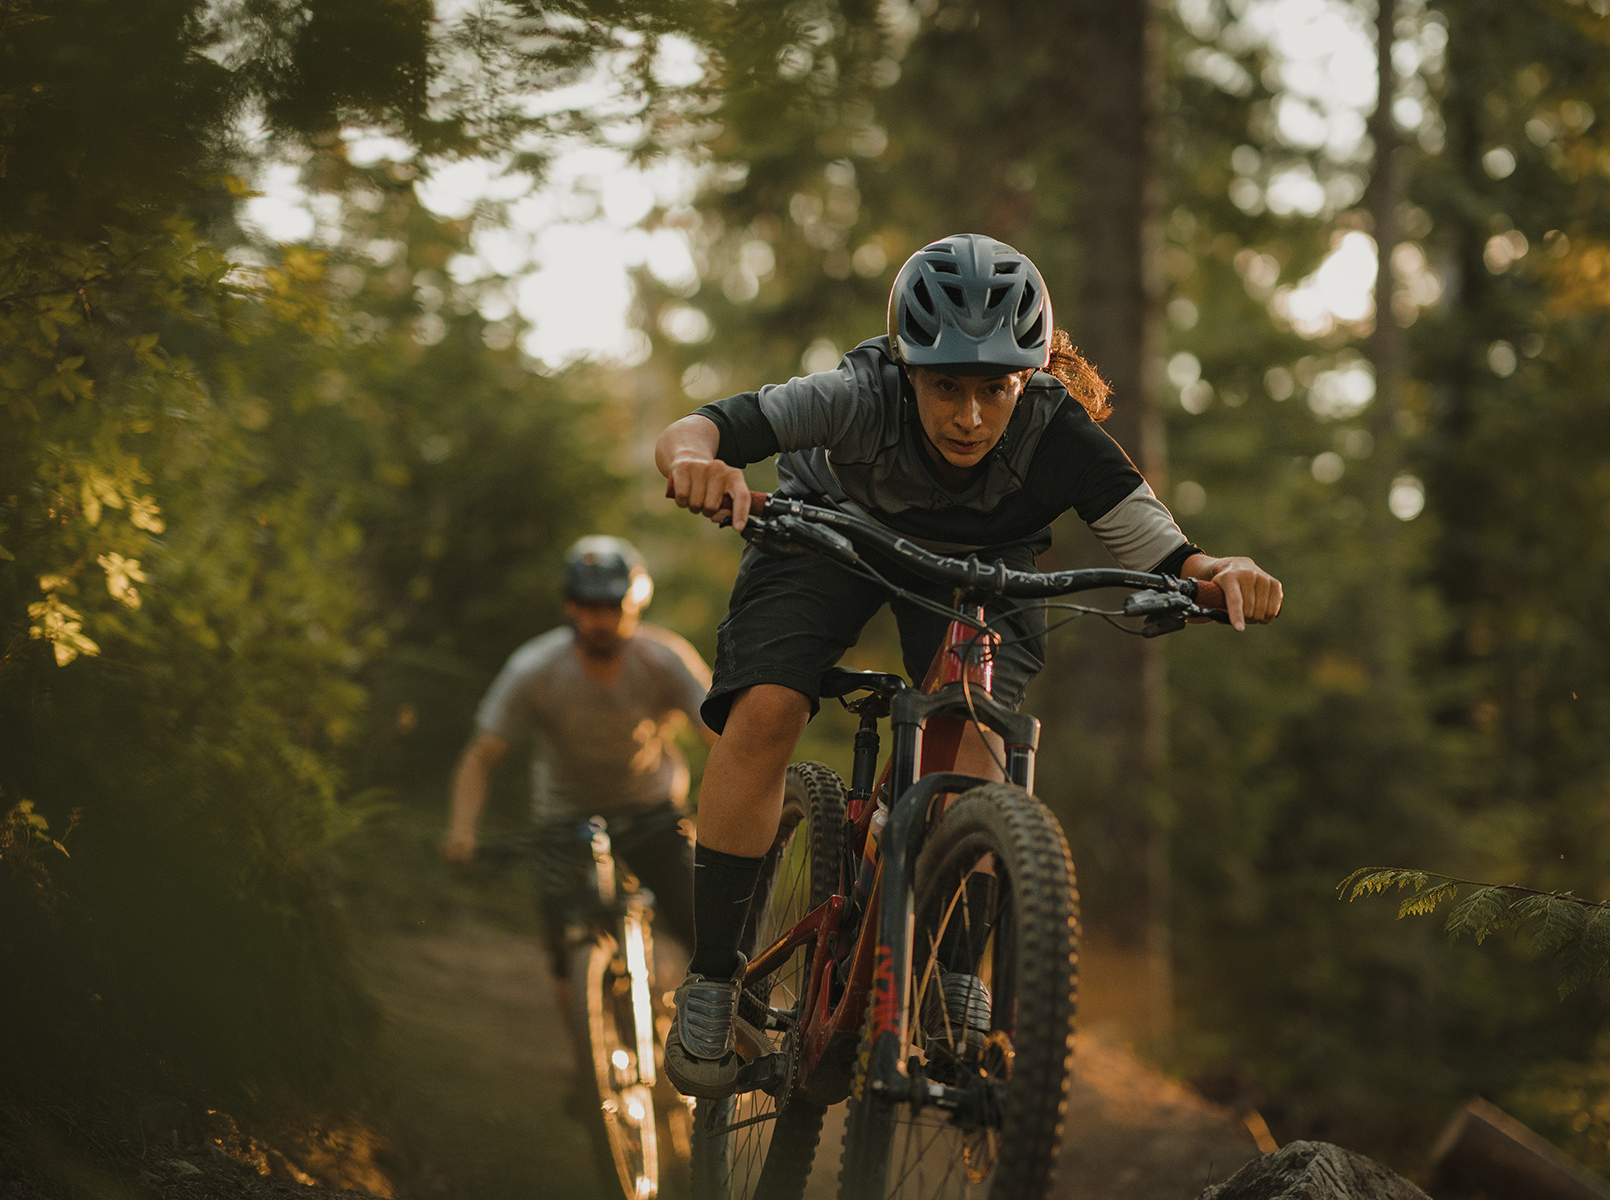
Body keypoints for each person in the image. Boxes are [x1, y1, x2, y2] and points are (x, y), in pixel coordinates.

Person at [653, 233, 1285, 1098]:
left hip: (981, 563)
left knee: (981, 749)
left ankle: (956, 973)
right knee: (766, 707)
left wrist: (1224, 577)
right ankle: (715, 981)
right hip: (829, 531)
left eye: (996, 388)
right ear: (908, 367)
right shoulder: (855, 395)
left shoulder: (1059, 429)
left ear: (1029, 376)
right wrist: (695, 464)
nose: (970, 415)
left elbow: (1172, 553)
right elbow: (706, 427)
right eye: (945, 385)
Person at [443, 535, 715, 1068]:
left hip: (654, 811)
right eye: (589, 607)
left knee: (701, 925)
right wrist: (461, 830)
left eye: (612, 607)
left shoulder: (664, 660)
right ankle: (587, 1063)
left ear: (633, 605)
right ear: (570, 606)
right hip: (563, 820)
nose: (600, 620)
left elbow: (722, 737)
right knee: (563, 947)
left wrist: (721, 807)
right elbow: (481, 756)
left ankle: (716, 1032)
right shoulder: (534, 669)